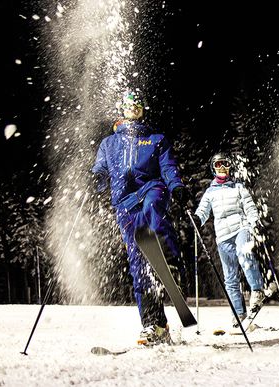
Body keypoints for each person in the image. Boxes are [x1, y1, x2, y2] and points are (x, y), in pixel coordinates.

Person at [92, 91, 189, 346]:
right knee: (139, 265)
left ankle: (170, 260)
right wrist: (96, 177)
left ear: (142, 110)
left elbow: (168, 167)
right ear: (122, 110)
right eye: (128, 105)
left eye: (137, 105)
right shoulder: (109, 143)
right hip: (125, 204)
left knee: (154, 206)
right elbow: (101, 169)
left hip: (151, 188)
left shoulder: (155, 139)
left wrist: (176, 185)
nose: (133, 109)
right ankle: (154, 325)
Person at [193, 153, 265, 327]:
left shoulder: (239, 187)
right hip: (223, 236)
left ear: (230, 166)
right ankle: (239, 314)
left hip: (241, 228)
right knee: (230, 277)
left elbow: (249, 206)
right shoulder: (210, 192)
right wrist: (197, 219)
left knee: (244, 253)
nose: (222, 167)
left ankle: (257, 290)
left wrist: (255, 221)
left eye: (225, 163)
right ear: (213, 168)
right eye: (218, 164)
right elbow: (203, 211)